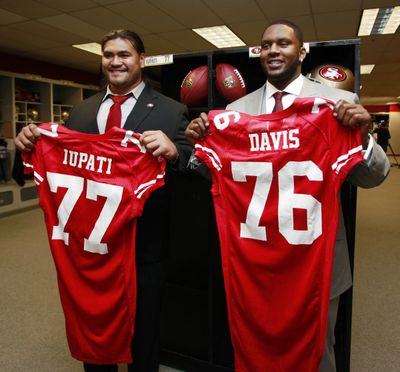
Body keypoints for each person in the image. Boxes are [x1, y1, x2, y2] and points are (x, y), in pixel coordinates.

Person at [185, 20, 390, 372]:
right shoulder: (235, 112)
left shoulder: (336, 103)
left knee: (317, 352)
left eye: (283, 43)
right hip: (255, 259)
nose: (274, 51)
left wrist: (363, 137)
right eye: (266, 45)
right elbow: (217, 176)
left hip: (316, 258)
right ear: (259, 52)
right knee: (256, 346)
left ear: (302, 51)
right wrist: (198, 146)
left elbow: (374, 176)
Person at [15, 29, 192, 372]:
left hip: (144, 244)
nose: (116, 61)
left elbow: (194, 165)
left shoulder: (172, 111)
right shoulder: (81, 113)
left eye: (124, 54)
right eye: (108, 54)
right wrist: (31, 142)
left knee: (144, 333)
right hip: (90, 247)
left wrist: (175, 153)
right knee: (94, 328)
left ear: (141, 59)